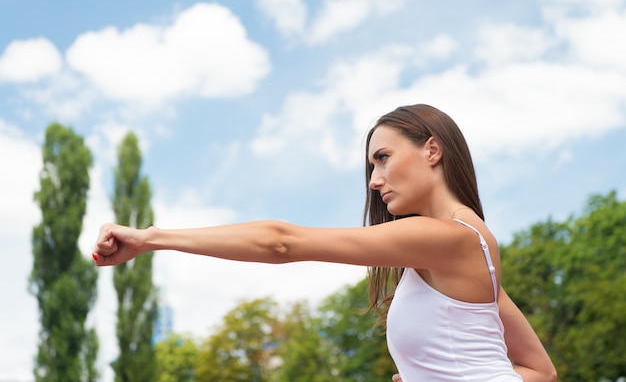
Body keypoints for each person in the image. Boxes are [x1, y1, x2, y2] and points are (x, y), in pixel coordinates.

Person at [93, 104, 557, 382]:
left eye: (383, 159)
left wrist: (152, 238)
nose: (375, 180)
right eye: (370, 168)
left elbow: (281, 243)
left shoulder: (448, 237)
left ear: (432, 151)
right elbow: (541, 372)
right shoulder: (471, 248)